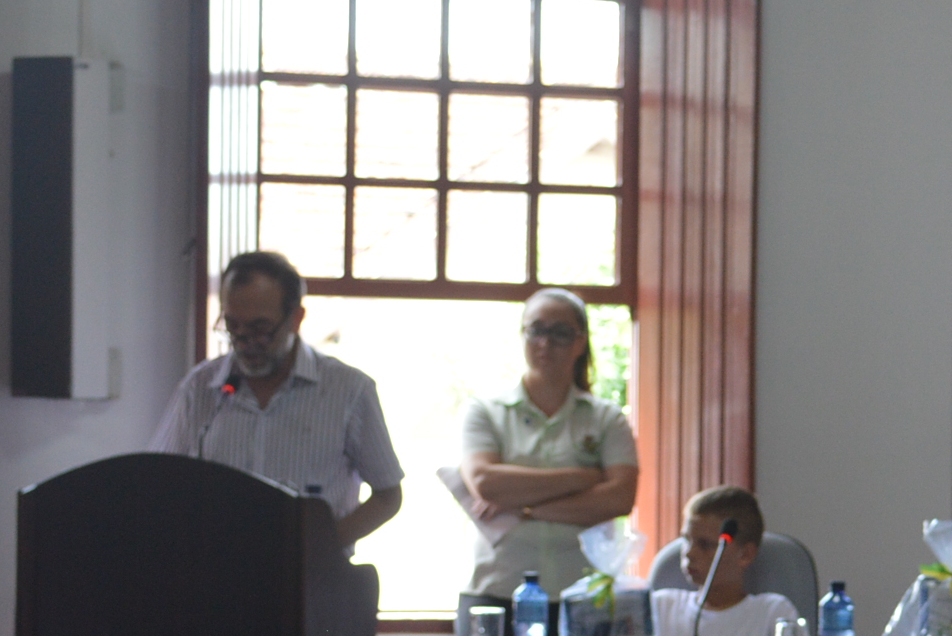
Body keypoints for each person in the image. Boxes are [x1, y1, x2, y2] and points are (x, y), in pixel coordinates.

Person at [148, 250, 402, 546]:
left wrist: (322, 547)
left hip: (311, 570)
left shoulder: (349, 390)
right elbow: (159, 482)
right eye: (233, 326)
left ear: (296, 318)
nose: (245, 343)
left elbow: (388, 496)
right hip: (215, 564)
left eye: (260, 329)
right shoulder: (200, 387)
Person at [456, 289, 639, 599]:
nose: (546, 342)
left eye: (560, 333)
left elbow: (620, 499)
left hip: (581, 595)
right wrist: (584, 478)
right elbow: (486, 483)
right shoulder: (485, 411)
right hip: (497, 589)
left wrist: (524, 508)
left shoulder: (607, 418)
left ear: (580, 342)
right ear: (522, 335)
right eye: (537, 330)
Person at [651, 485, 798, 636]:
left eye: (705, 545)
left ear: (745, 554)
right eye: (686, 540)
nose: (689, 553)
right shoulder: (660, 607)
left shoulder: (772, 614)